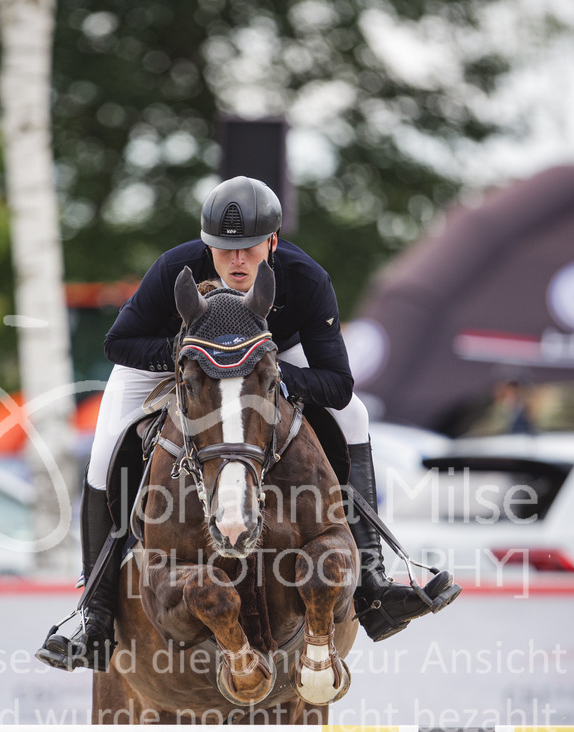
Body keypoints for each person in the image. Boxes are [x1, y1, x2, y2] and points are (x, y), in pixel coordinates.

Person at [36, 176, 460, 671]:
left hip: (269, 360)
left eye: (249, 249)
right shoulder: (176, 266)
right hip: (179, 361)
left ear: (273, 242)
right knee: (107, 444)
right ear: (207, 246)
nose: (237, 261)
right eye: (223, 250)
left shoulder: (306, 280)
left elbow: (337, 383)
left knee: (355, 414)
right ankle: (94, 612)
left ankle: (373, 586)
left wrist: (270, 372)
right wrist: (185, 354)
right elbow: (118, 344)